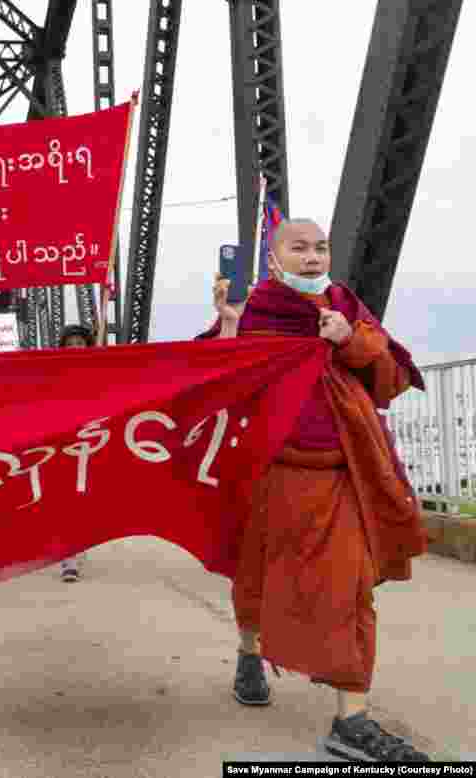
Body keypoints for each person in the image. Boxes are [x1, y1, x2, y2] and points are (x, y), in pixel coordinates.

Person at [203, 218, 429, 762]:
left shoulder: (346, 308)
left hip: (343, 471)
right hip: (270, 474)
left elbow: (390, 381)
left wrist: (350, 342)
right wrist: (229, 326)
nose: (312, 257)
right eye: (298, 248)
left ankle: (351, 722)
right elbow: (211, 388)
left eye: (321, 247)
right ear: (273, 259)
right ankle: (248, 653)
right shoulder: (252, 312)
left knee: (352, 590)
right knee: (255, 573)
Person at [57, 323, 97, 582]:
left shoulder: (100, 375)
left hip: (91, 443)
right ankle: (68, 556)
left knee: (83, 500)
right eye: (69, 345)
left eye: (79, 344)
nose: (74, 349)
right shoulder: (52, 376)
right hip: (61, 444)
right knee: (64, 499)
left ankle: (76, 545)